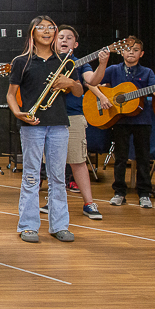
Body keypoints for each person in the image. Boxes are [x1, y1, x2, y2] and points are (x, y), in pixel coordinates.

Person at [6, 16, 82, 243]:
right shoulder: (21, 61)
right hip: (32, 125)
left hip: (59, 124)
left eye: (51, 28)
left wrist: (70, 84)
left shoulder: (65, 60)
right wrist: (18, 112)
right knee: (31, 176)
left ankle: (60, 225)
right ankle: (28, 225)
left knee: (57, 177)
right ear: (32, 33)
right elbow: (10, 94)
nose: (47, 31)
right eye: (41, 28)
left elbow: (78, 92)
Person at [40, 25, 109, 219]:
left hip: (73, 117)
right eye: (60, 37)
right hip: (50, 116)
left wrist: (102, 64)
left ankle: (89, 203)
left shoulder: (80, 63)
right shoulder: (46, 60)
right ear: (54, 41)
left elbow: (92, 81)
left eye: (68, 38)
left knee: (78, 161)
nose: (64, 40)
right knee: (53, 163)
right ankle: (53, 200)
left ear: (75, 44)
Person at [99, 37, 155, 208]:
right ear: (122, 52)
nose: (131, 52)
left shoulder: (147, 72)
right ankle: (119, 192)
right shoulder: (113, 70)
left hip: (142, 120)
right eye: (128, 49)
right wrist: (103, 97)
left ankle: (144, 193)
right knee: (120, 157)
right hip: (119, 119)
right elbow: (94, 83)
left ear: (141, 54)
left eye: (136, 50)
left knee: (143, 158)